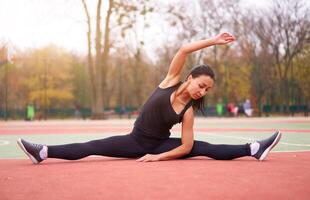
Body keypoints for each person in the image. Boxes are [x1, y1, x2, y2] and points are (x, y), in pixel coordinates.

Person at [17, 32, 281, 164]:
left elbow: (186, 148)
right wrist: (213, 41)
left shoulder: (187, 110)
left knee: (202, 147)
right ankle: (43, 152)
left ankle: (253, 149)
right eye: (201, 85)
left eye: (207, 90)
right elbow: (184, 49)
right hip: (134, 141)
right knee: (92, 145)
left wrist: (157, 158)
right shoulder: (170, 81)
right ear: (190, 78)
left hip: (158, 146)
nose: (202, 92)